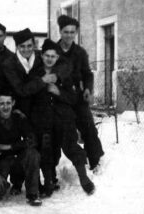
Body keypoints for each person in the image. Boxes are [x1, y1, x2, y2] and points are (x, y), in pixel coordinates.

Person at [29, 39, 95, 196]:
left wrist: (59, 92)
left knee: (71, 147)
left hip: (64, 118)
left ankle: (84, 179)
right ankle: (49, 183)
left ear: (57, 57)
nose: (50, 59)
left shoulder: (64, 75)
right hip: (44, 120)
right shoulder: (35, 74)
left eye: (53, 56)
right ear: (42, 56)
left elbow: (73, 98)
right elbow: (30, 95)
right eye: (47, 55)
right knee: (47, 150)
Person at [56, 15, 104, 172]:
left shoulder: (80, 52)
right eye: (66, 32)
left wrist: (88, 89)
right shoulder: (53, 51)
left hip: (78, 96)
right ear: (60, 31)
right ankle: (79, 163)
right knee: (68, 131)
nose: (69, 35)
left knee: (89, 127)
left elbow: (87, 74)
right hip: (61, 98)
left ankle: (95, 161)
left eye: (72, 32)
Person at [0, 89, 42, 206]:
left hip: (16, 158)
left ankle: (32, 194)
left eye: (8, 103)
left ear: (13, 103)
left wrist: (11, 146)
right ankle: (8, 184)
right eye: (2, 103)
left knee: (33, 154)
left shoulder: (19, 118)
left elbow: (32, 140)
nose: (5, 107)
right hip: (0, 163)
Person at [1, 28, 57, 117]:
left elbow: (62, 61)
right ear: (17, 46)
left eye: (29, 46)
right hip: (20, 108)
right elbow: (20, 90)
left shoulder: (41, 57)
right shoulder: (9, 64)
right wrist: (42, 80)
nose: (26, 49)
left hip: (40, 108)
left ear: (34, 45)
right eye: (22, 46)